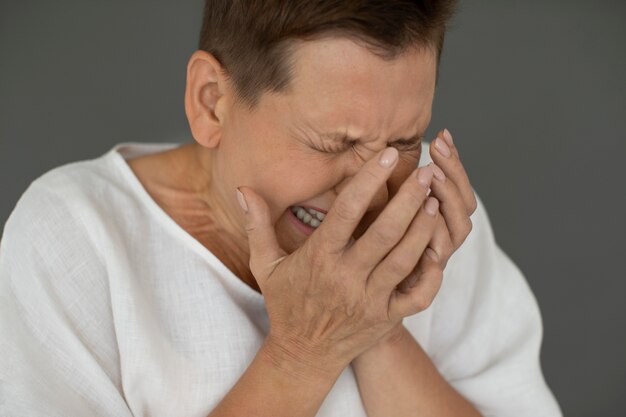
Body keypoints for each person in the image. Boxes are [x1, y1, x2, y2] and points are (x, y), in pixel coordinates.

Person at [0, 1, 562, 416]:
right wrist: (303, 352)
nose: (372, 186)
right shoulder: (75, 239)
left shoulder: (428, 219)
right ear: (212, 103)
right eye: (334, 144)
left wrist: (377, 324)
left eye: (404, 143)